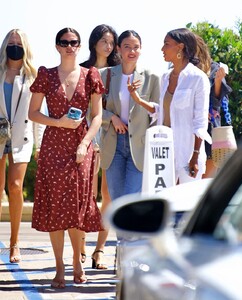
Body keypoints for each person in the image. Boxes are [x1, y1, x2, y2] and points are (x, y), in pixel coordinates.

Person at [28, 27, 104, 288]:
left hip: (81, 147)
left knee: (78, 206)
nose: (69, 46)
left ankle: (77, 260)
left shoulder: (90, 74)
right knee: (55, 208)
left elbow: (97, 116)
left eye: (74, 42)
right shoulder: (46, 75)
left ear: (80, 46)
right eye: (64, 42)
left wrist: (85, 144)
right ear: (57, 47)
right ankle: (59, 266)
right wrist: (58, 122)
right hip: (53, 147)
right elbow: (33, 113)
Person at [127, 28, 211, 184]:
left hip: (187, 152)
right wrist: (138, 100)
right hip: (164, 151)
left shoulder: (198, 78)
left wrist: (195, 155)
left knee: (186, 202)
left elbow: (200, 122)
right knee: (165, 200)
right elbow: (162, 112)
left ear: (180, 47)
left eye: (166, 44)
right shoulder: (165, 77)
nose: (162, 49)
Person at [99, 30, 160, 201]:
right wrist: (111, 117)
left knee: (132, 199)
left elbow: (158, 113)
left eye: (136, 47)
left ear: (141, 49)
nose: (132, 51)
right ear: (118, 48)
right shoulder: (105, 75)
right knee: (117, 201)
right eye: (127, 47)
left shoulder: (152, 78)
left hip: (140, 145)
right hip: (113, 143)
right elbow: (92, 110)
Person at [0, 29, 44, 263]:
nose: (14, 46)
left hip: (22, 137)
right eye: (11, 42)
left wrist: (39, 144)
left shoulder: (33, 76)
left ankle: (15, 243)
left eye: (18, 43)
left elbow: (37, 113)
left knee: (15, 186)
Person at [80, 24, 121, 269]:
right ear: (94, 42)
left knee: (107, 195)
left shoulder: (119, 71)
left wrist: (109, 117)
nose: (108, 45)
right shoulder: (83, 70)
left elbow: (120, 107)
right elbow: (86, 108)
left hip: (113, 138)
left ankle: (100, 249)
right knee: (86, 194)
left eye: (111, 41)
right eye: (104, 40)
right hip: (87, 135)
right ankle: (81, 246)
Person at [195, 34, 232, 178]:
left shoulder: (214, 67)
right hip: (188, 129)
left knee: (206, 180)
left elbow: (218, 99)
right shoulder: (183, 70)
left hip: (209, 129)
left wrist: (218, 82)